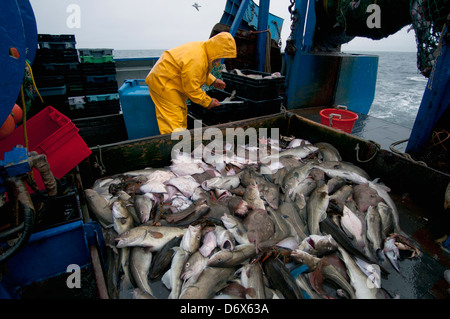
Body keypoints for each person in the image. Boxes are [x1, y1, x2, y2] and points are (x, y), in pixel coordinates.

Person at [145, 32, 237, 135]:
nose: (219, 60)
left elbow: (198, 72)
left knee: (181, 112)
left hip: (171, 81)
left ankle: (180, 141)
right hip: (163, 83)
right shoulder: (197, 58)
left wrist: (213, 81)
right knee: (174, 120)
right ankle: (173, 146)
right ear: (216, 50)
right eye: (221, 55)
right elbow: (191, 89)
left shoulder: (202, 50)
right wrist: (208, 102)